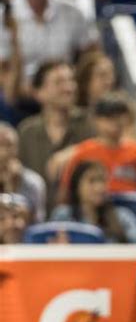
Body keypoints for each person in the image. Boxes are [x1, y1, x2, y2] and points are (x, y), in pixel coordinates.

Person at [0, 0, 99, 85]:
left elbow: (92, 55)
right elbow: (2, 69)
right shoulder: (5, 15)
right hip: (20, 92)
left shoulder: (73, 9)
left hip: (65, 87)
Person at [17, 61, 95, 212]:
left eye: (71, 81)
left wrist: (77, 151)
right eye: (59, 82)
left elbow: (107, 149)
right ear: (38, 92)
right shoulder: (26, 131)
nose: (68, 88)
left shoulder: (89, 123)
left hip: (80, 214)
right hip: (36, 215)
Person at [57, 91, 136, 196]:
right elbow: (66, 190)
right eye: (109, 117)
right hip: (95, 206)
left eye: (120, 117)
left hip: (131, 205)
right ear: (96, 119)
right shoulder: (83, 153)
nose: (115, 122)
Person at [51, 161, 136, 243]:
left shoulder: (122, 217)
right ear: (76, 186)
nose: (99, 188)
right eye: (92, 181)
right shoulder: (62, 215)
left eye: (103, 181)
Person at [0, 122, 46, 222]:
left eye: (8, 145)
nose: (3, 152)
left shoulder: (33, 182)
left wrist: (13, 186)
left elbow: (36, 223)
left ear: (17, 149)